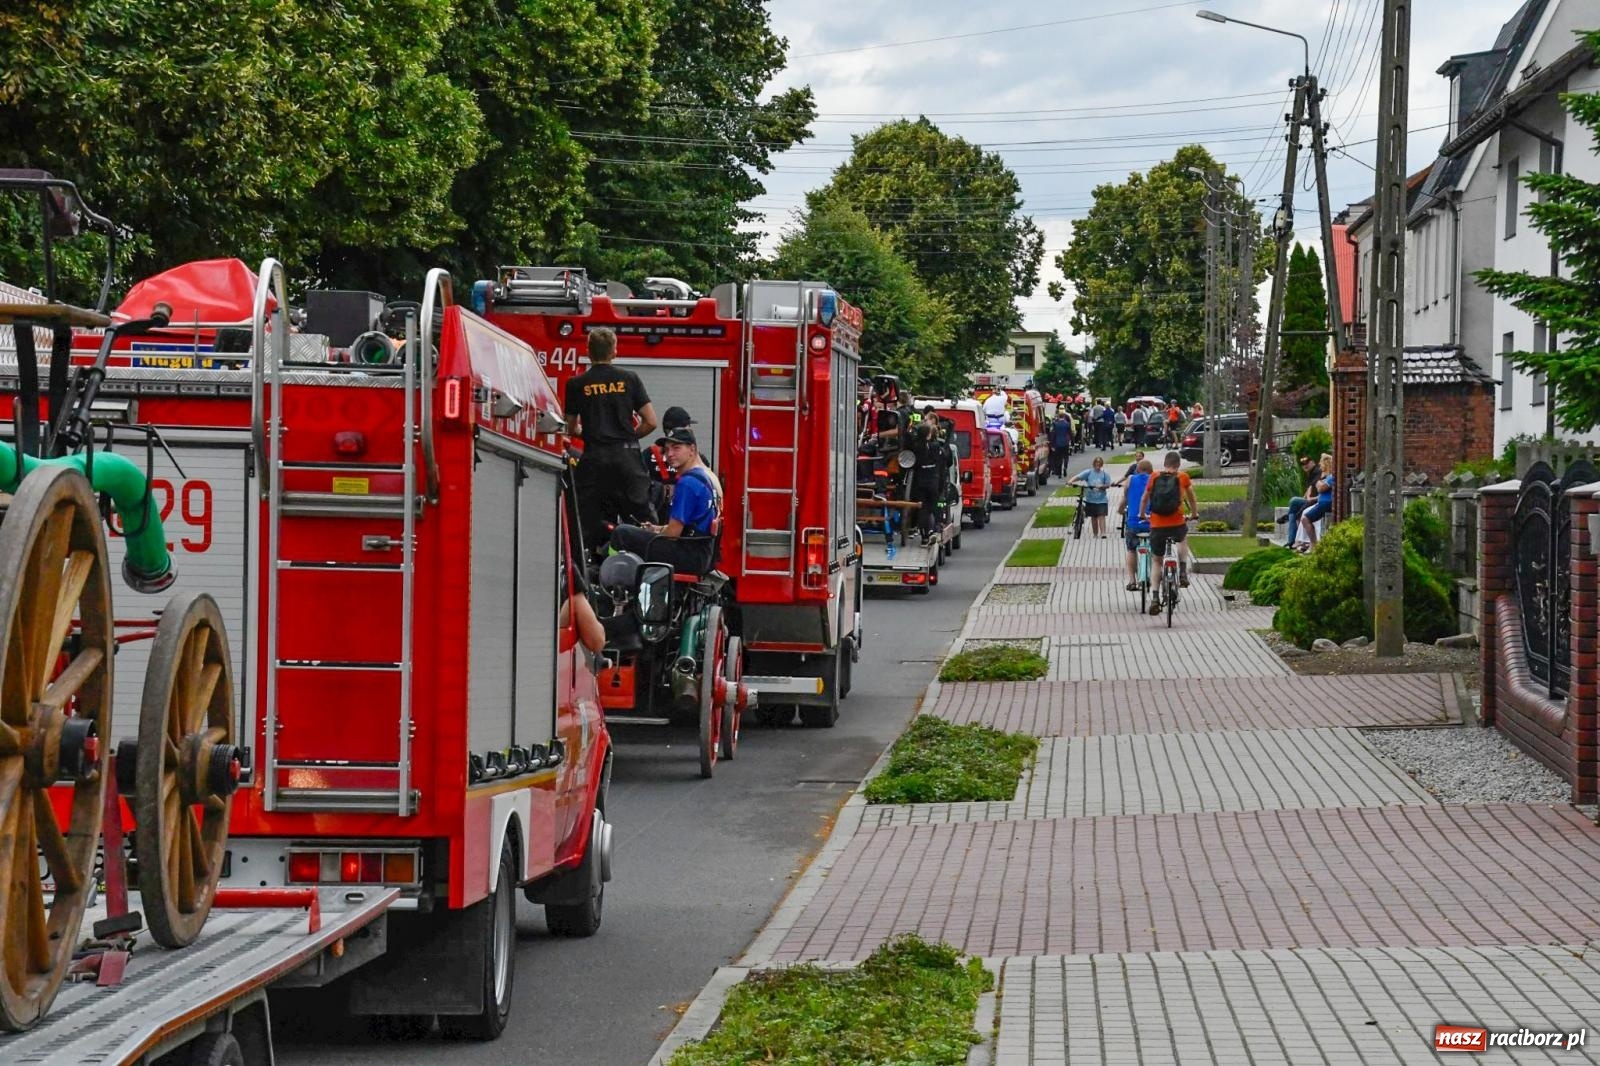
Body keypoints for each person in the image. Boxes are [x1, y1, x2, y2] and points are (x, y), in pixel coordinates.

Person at [564, 326, 657, 549]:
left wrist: (588, 434)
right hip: (627, 460)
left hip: (594, 459)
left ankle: (591, 568)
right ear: (614, 351)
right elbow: (651, 422)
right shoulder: (629, 379)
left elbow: (569, 426)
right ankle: (650, 567)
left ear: (588, 350)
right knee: (644, 521)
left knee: (587, 520)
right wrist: (627, 437)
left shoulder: (576, 384)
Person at [610, 426, 721, 575]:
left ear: (692, 450)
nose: (670, 454)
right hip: (700, 554)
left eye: (676, 448)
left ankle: (616, 583)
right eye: (667, 449)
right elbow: (684, 527)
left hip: (688, 557)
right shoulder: (704, 478)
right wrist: (655, 529)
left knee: (622, 534)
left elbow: (672, 534)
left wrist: (655, 534)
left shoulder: (687, 483)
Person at [1139, 450, 1199, 601]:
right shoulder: (1183, 477)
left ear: (1165, 464)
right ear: (1178, 465)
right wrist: (1193, 514)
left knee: (1157, 561)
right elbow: (1192, 499)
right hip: (1177, 523)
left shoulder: (1154, 477)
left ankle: (1154, 597)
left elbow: (1144, 498)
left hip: (1157, 525)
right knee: (1183, 538)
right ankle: (1183, 571)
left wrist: (1142, 514)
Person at [645, 406, 696, 524]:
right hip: (681, 524)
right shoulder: (693, 458)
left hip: (653, 522)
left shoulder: (647, 454)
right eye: (688, 427)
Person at [909, 416, 952, 544]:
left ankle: (924, 536)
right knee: (933, 507)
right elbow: (944, 463)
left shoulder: (916, 447)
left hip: (920, 482)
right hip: (933, 481)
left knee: (922, 509)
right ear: (929, 434)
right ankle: (933, 530)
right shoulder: (937, 447)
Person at [1119, 459, 1154, 591]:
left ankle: (1132, 581)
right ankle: (1155, 575)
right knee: (1156, 550)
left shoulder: (1130, 479)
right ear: (1151, 471)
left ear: (1137, 470)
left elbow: (1125, 498)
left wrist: (1120, 510)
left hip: (1134, 522)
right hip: (1151, 522)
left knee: (1131, 549)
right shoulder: (1154, 479)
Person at [1278, 454, 1323, 549]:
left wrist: (1308, 497)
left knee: (1294, 501)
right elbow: (1308, 490)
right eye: (1303, 464)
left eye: (1307, 463)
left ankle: (1292, 540)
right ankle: (1291, 540)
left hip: (1316, 501)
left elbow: (1312, 489)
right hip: (1310, 501)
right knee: (1293, 511)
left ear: (1313, 462)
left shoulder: (1317, 471)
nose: (1305, 465)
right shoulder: (1311, 473)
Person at [1295, 454, 1336, 553]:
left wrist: (1318, 482)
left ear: (1326, 464)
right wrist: (1319, 484)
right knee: (1302, 514)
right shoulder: (1326, 477)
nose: (1320, 465)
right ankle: (1305, 542)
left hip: (1326, 503)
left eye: (1321, 463)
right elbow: (1319, 488)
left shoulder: (1331, 477)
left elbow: (1321, 488)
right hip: (1321, 502)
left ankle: (1314, 544)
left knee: (1305, 519)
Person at [1069, 456, 1114, 538]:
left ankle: (1103, 533)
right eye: (1096, 463)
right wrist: (1070, 481)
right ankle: (1095, 534)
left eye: (1100, 463)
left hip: (1101, 499)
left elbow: (1108, 485)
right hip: (1091, 498)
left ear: (1101, 464)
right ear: (1094, 464)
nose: (1098, 464)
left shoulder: (1104, 474)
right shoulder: (1089, 472)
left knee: (1101, 515)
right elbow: (1078, 477)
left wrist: (1102, 486)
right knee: (1093, 517)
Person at [1049, 413, 1073, 478]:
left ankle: (1059, 473)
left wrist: (1052, 444)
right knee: (1066, 457)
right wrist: (1071, 441)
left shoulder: (1055, 424)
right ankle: (1065, 467)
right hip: (1065, 442)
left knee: (1058, 458)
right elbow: (1070, 433)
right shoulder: (1067, 424)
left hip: (1058, 443)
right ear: (1064, 417)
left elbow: (1053, 434)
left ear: (1058, 417)